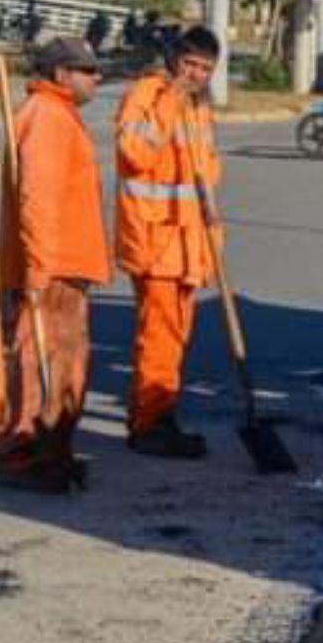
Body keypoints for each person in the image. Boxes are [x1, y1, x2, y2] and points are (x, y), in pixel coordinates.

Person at [0, 35, 111, 494]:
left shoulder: (59, 115)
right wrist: (40, 271)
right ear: (62, 74)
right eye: (88, 70)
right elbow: (37, 201)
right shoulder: (46, 118)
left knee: (66, 366)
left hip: (67, 266)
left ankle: (54, 452)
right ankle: (27, 453)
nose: (97, 78)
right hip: (53, 268)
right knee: (37, 362)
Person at [113, 25, 224, 460]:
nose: (196, 74)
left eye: (205, 69)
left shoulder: (198, 107)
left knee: (175, 336)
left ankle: (160, 413)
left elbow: (205, 170)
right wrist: (170, 100)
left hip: (188, 241)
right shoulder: (148, 94)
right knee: (158, 336)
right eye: (190, 65)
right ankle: (149, 423)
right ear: (175, 59)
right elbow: (136, 154)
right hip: (156, 239)